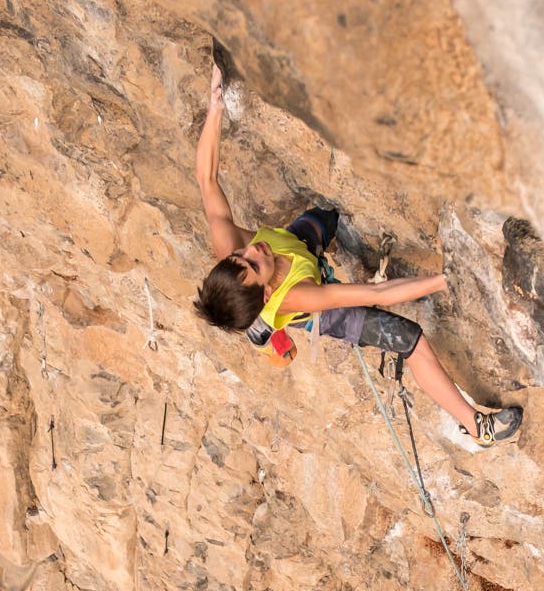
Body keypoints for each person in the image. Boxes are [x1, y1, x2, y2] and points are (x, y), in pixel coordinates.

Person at [194, 63, 523, 447]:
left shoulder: (232, 249)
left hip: (296, 249)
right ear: (266, 293)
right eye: (252, 264)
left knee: (324, 218)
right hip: (314, 303)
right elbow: (376, 295)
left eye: (241, 256)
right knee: (408, 338)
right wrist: (449, 277)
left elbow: (207, 178)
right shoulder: (298, 295)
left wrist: (215, 104)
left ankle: (267, 325)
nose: (251, 249)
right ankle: (478, 426)